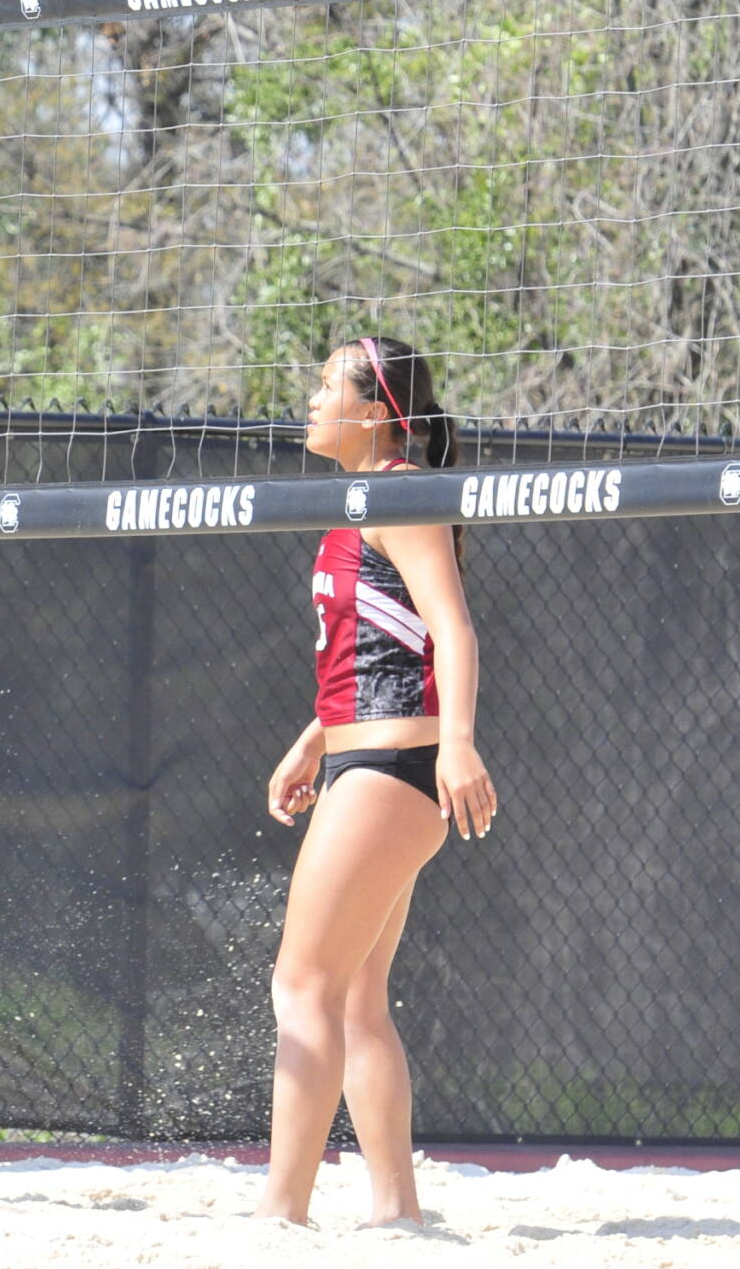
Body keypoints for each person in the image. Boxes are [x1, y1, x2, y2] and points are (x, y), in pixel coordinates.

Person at [257, 337, 495, 1227]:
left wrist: (460, 745)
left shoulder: (398, 492)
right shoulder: (363, 500)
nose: (311, 397)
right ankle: (398, 1211)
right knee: (355, 997)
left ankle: (281, 1214)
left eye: (327, 384)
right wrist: (315, 739)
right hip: (364, 754)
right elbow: (386, 645)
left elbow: (454, 629)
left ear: (374, 410)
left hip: (398, 767)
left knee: (301, 987)